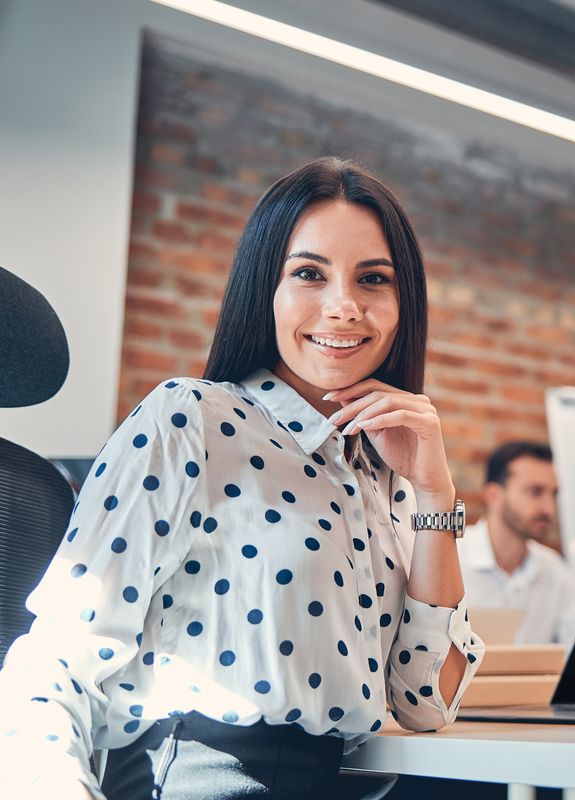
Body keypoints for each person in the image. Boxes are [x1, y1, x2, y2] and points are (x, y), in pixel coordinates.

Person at [0, 158, 484, 799]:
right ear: (266, 290)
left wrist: (433, 495)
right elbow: (60, 655)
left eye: (373, 280)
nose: (343, 307)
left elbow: (426, 700)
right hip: (206, 779)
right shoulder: (191, 420)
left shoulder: (382, 465)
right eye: (309, 274)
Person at [460, 442, 575, 647]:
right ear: (494, 496)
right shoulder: (451, 557)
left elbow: (573, 657)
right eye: (535, 492)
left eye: (554, 494)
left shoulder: (555, 570)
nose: (549, 508)